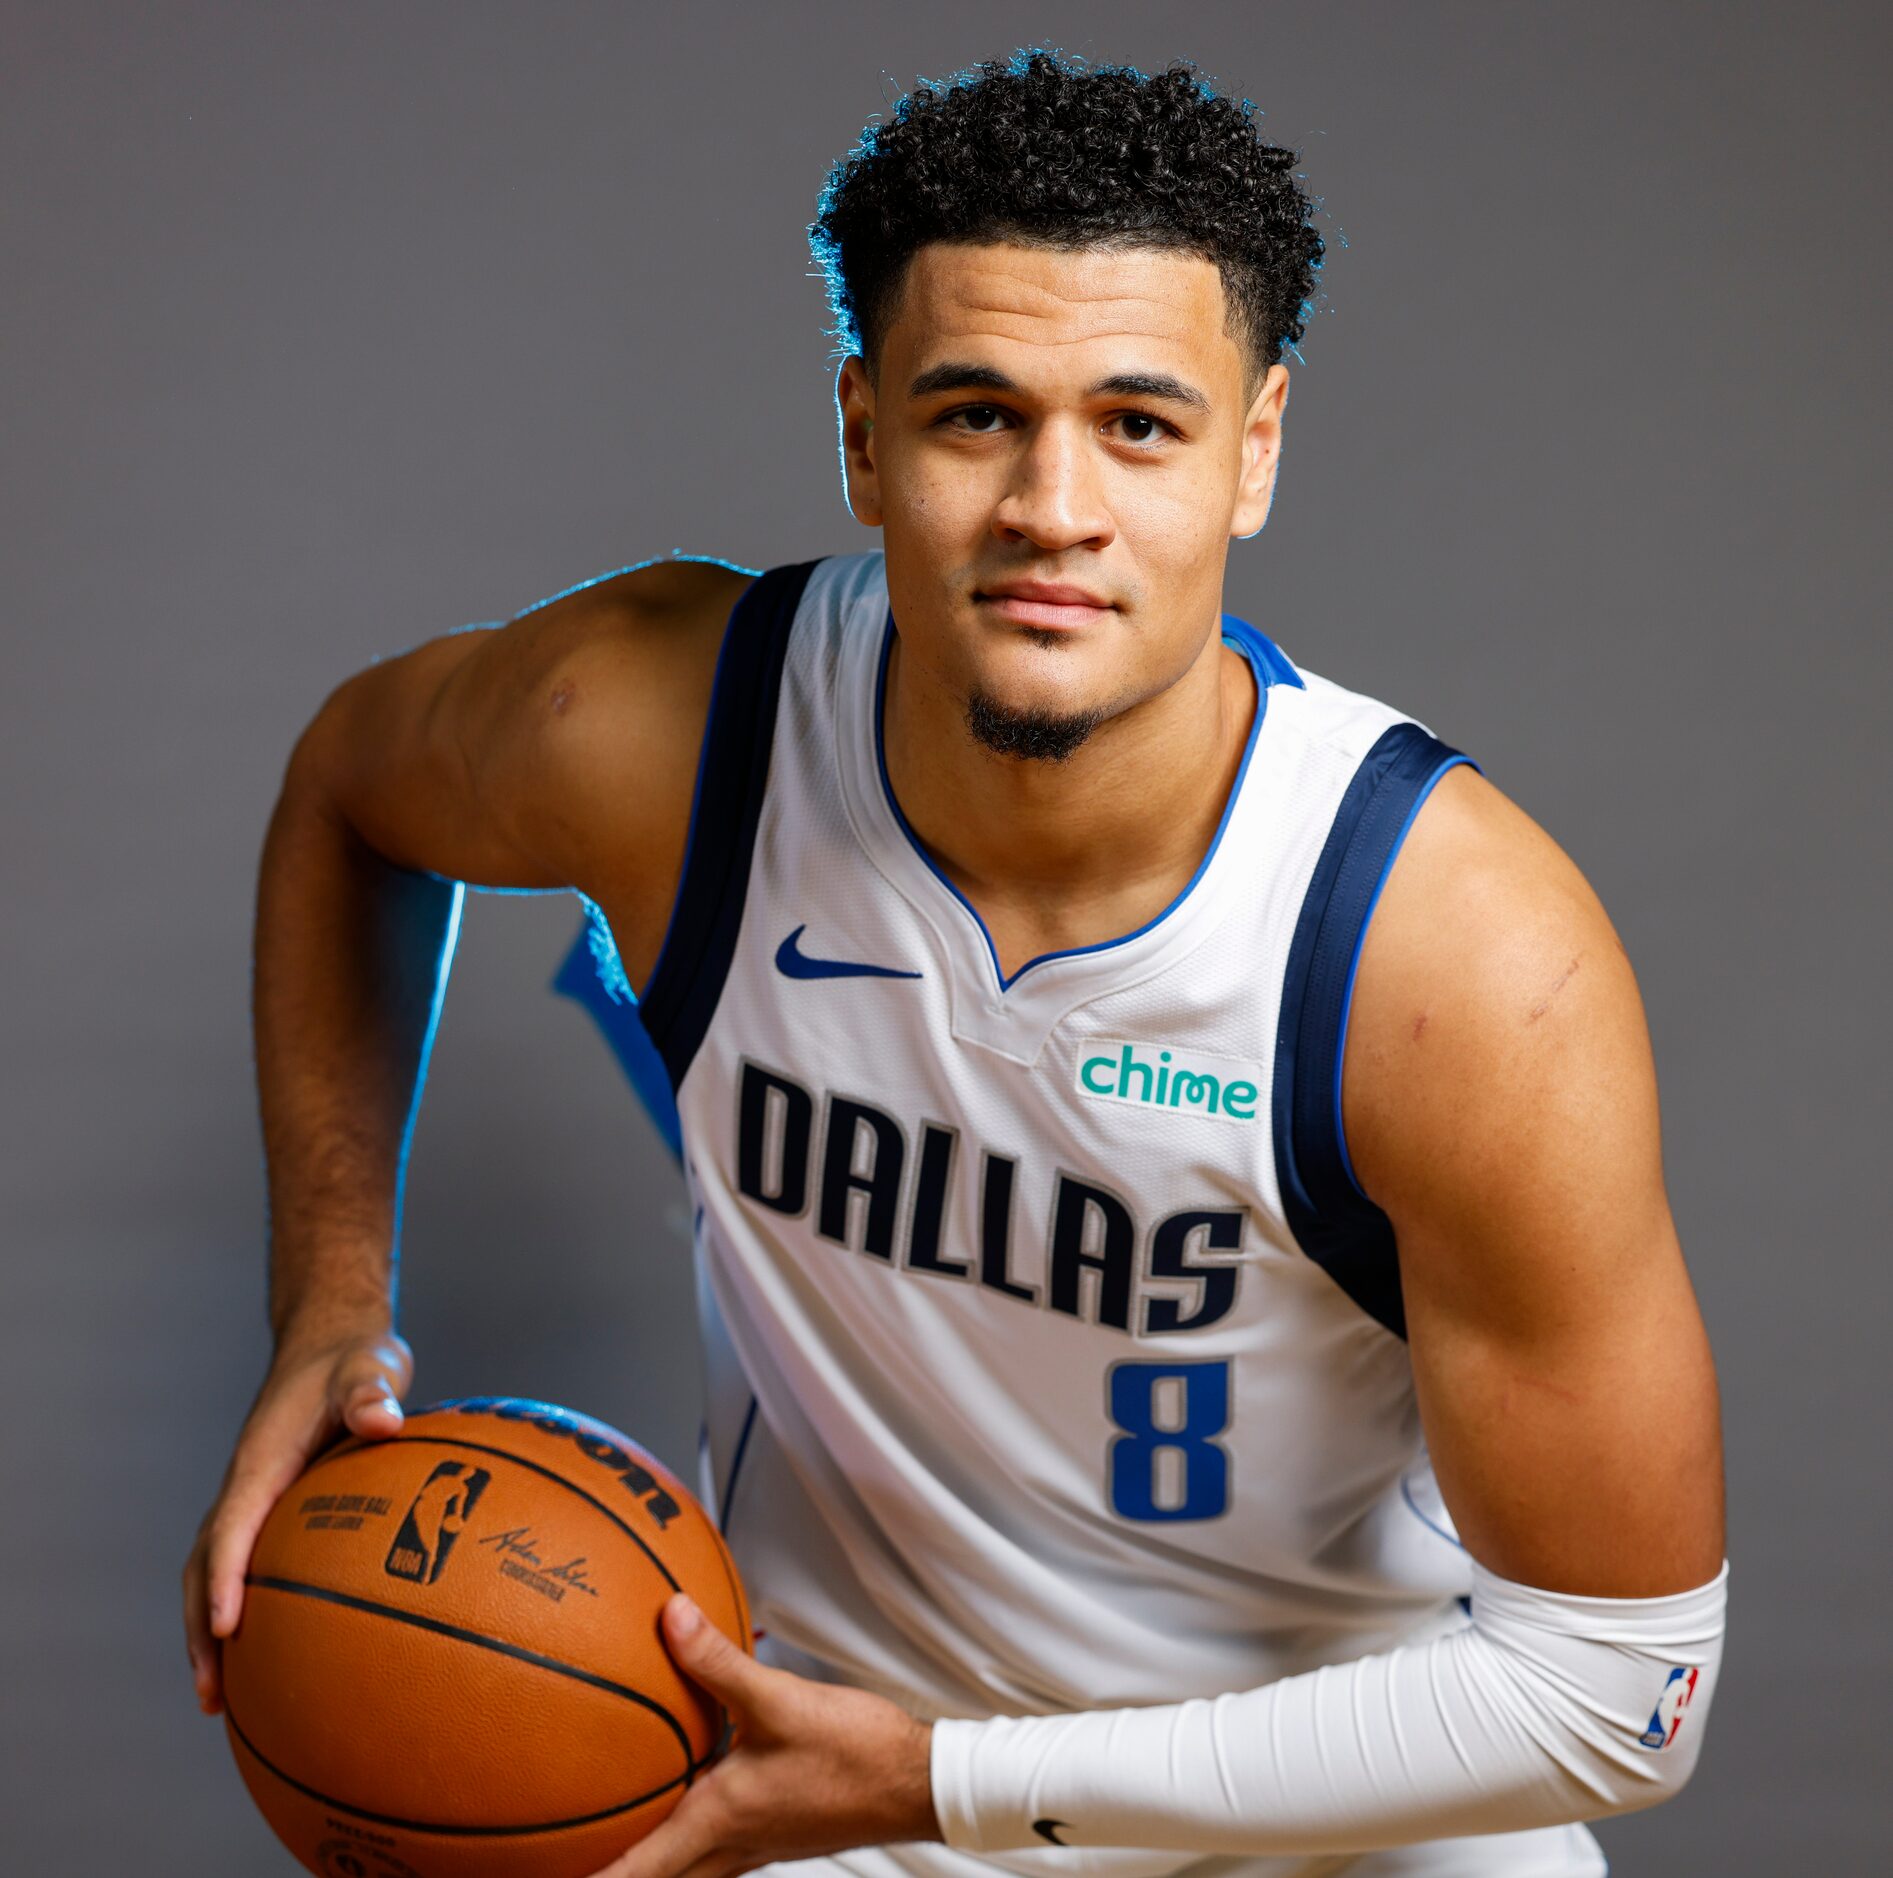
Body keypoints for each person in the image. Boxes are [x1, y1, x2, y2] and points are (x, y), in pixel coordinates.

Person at [182, 48, 1727, 1878]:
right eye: (974, 414)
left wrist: (948, 1777)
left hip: (1329, 1817)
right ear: (858, 432)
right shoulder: (672, 735)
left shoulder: (1444, 955)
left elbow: (1619, 1692)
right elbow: (351, 790)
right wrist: (331, 1301)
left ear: (1255, 452)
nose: (1049, 509)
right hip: (815, 1770)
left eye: (1138, 425)